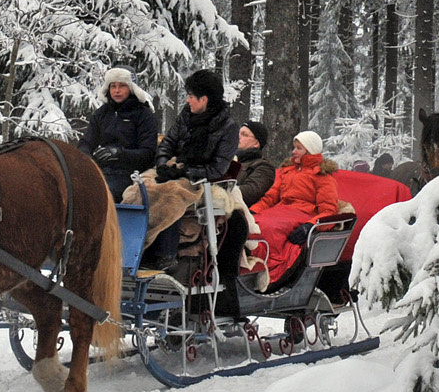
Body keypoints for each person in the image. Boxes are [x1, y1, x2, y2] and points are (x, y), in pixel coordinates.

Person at [143, 68, 239, 270]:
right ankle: (128, 246)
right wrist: (162, 165)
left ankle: (164, 254)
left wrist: (184, 173)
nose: (188, 101)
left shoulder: (227, 127)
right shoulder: (185, 116)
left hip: (200, 178)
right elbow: (167, 143)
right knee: (139, 187)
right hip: (172, 168)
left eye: (191, 96)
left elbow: (217, 168)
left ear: (204, 99)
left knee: (171, 194)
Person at [251, 131, 339, 283]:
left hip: (303, 214)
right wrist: (252, 211)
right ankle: (250, 265)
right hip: (280, 211)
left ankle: (269, 268)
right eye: (295, 147)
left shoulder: (322, 176)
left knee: (270, 228)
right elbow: (270, 198)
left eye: (299, 148)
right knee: (252, 223)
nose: (293, 151)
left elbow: (329, 211)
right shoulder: (288, 171)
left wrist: (310, 226)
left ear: (309, 151)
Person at [82, 67, 159, 199]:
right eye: (113, 86)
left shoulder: (144, 114)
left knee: (99, 194)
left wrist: (119, 154)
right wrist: (87, 158)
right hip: (100, 170)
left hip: (131, 174)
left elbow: (148, 152)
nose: (117, 91)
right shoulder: (102, 113)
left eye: (122, 86)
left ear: (131, 88)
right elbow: (86, 142)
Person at [230, 121, 275, 207]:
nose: (238, 137)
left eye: (244, 134)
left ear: (256, 143)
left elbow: (250, 193)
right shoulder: (226, 160)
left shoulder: (263, 167)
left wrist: (219, 191)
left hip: (238, 213)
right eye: (238, 133)